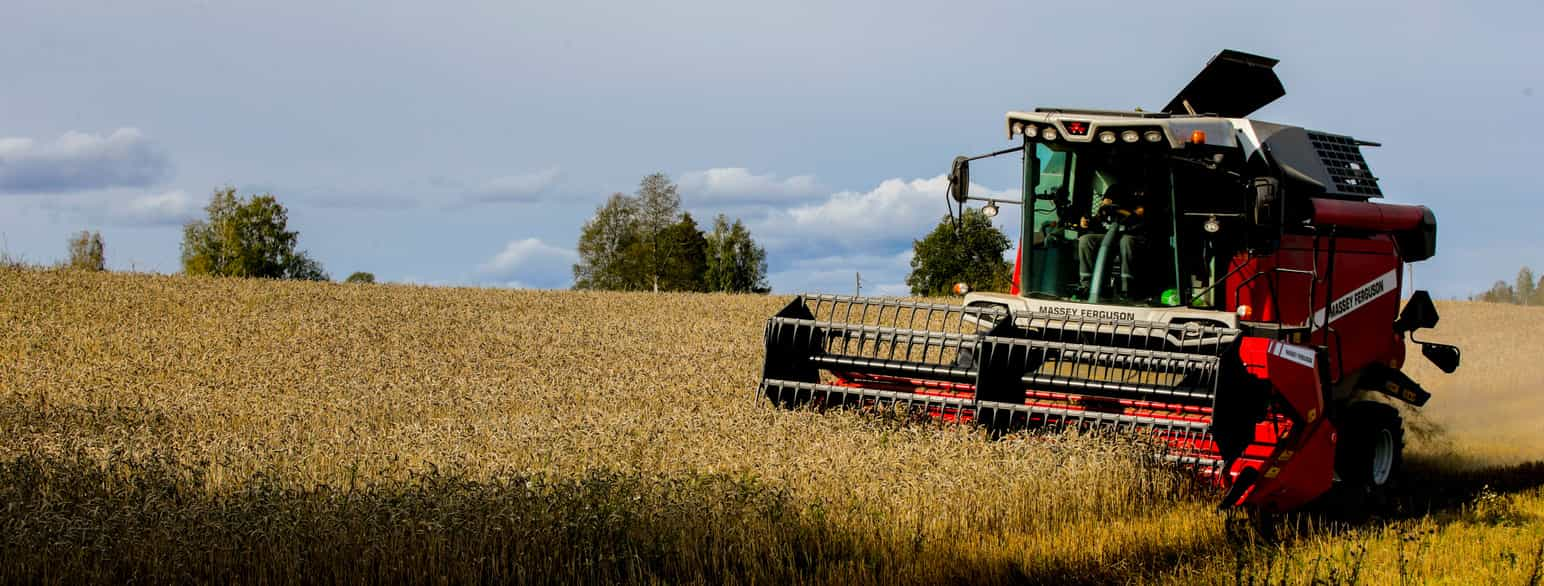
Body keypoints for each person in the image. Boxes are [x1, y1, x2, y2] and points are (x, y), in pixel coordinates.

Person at [1077, 181, 1149, 296]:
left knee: (1126, 241)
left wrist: (1120, 211)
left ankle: (1127, 287)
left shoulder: (1143, 190)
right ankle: (1086, 285)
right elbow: (1103, 208)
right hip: (1110, 234)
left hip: (1133, 234)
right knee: (1086, 240)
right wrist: (1086, 222)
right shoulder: (1114, 188)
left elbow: (1141, 214)